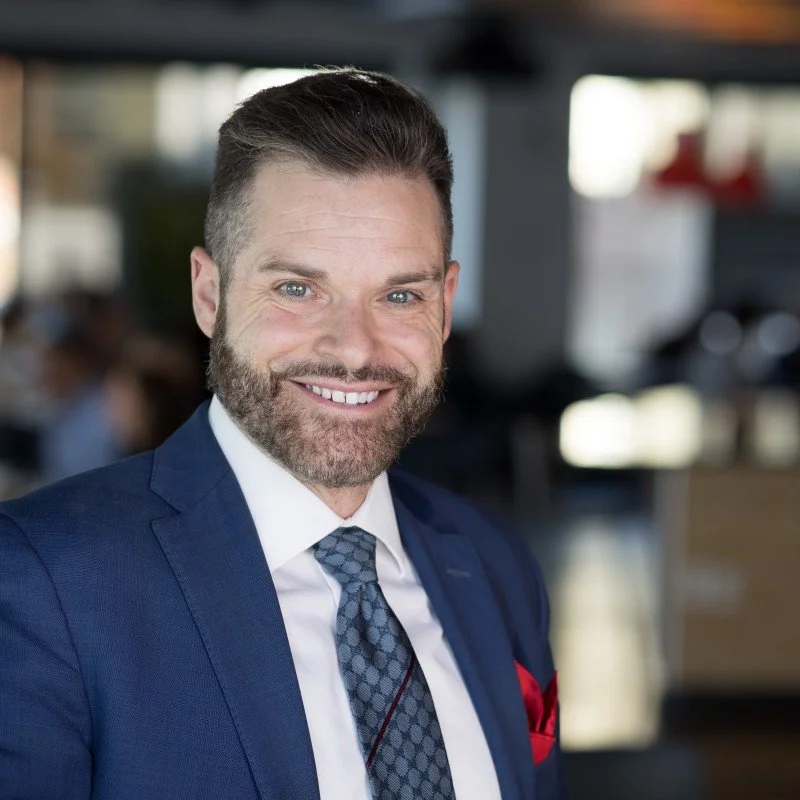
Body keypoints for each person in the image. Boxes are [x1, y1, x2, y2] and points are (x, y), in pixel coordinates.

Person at [0, 68, 567, 800]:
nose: (356, 349)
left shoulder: (496, 567)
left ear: (446, 304)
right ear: (210, 295)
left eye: (400, 295)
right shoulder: (42, 580)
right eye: (298, 288)